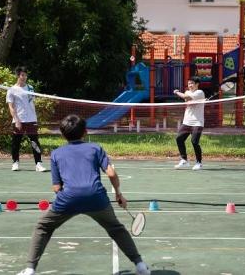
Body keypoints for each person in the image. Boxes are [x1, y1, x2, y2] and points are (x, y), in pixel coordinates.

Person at [16, 114, 150, 275]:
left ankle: (30, 269)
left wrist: (66, 199)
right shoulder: (95, 148)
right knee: (116, 229)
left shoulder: (56, 153)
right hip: (97, 198)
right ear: (85, 132)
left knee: (43, 227)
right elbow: (112, 174)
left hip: (68, 199)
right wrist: (119, 194)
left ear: (63, 134)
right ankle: (140, 266)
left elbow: (57, 187)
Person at [6, 66, 46, 172]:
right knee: (16, 143)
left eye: (25, 75)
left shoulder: (31, 88)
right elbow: (11, 106)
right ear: (18, 76)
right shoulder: (11, 90)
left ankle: (38, 163)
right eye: (22, 75)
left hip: (31, 120)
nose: (24, 77)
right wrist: (16, 119)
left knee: (35, 142)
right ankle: (15, 162)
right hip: (18, 120)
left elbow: (31, 103)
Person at [173, 76, 205, 171]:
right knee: (179, 139)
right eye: (189, 83)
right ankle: (184, 160)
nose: (190, 85)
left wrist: (176, 92)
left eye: (192, 83)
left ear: (197, 84)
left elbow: (185, 97)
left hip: (197, 122)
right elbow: (187, 98)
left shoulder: (200, 92)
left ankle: (199, 162)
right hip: (187, 121)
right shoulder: (187, 92)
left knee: (194, 142)